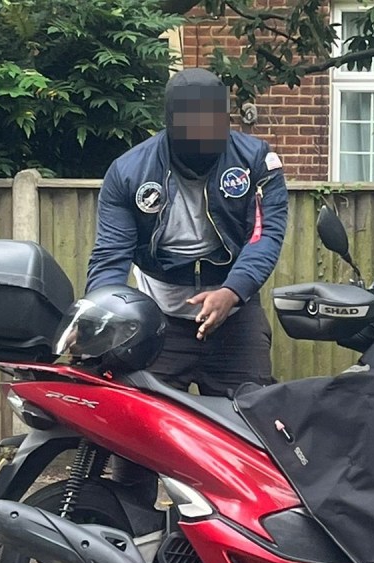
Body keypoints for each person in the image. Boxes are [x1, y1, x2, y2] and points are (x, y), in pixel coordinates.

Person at [86, 67, 288, 496]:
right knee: (138, 441)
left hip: (235, 317)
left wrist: (232, 292)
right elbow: (110, 257)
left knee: (254, 435)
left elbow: (264, 235)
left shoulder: (256, 162)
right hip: (156, 322)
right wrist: (104, 317)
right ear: (170, 120)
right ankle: (134, 542)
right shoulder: (129, 172)